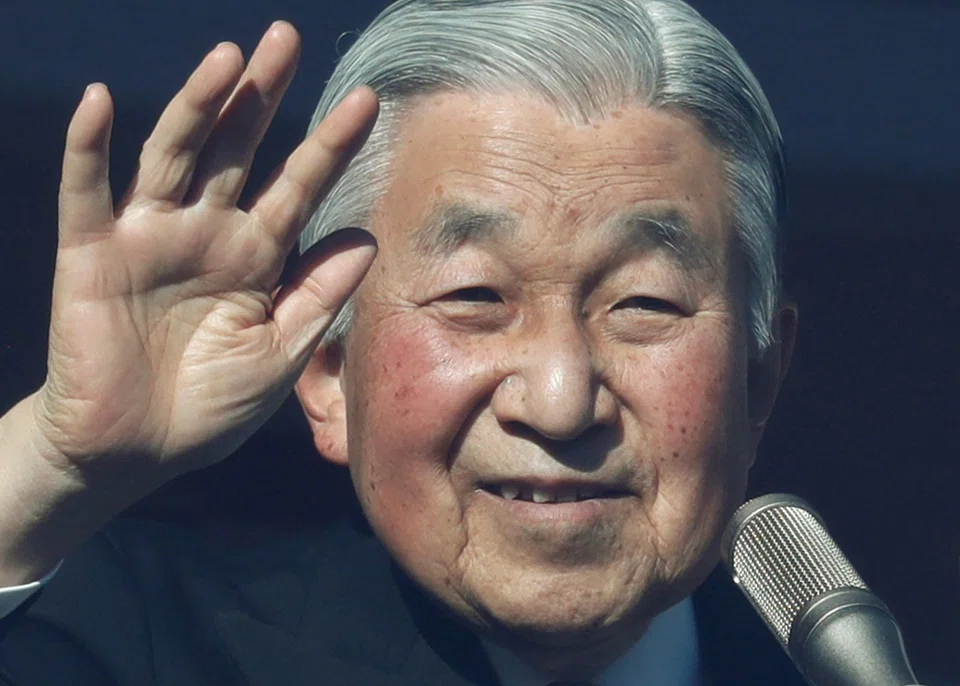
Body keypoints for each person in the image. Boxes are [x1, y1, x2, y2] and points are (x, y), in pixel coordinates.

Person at [0, 0, 801, 683]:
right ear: (328, 371)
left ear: (759, 377)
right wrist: (52, 462)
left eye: (644, 302)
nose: (559, 402)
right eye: (475, 296)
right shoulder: (148, 644)